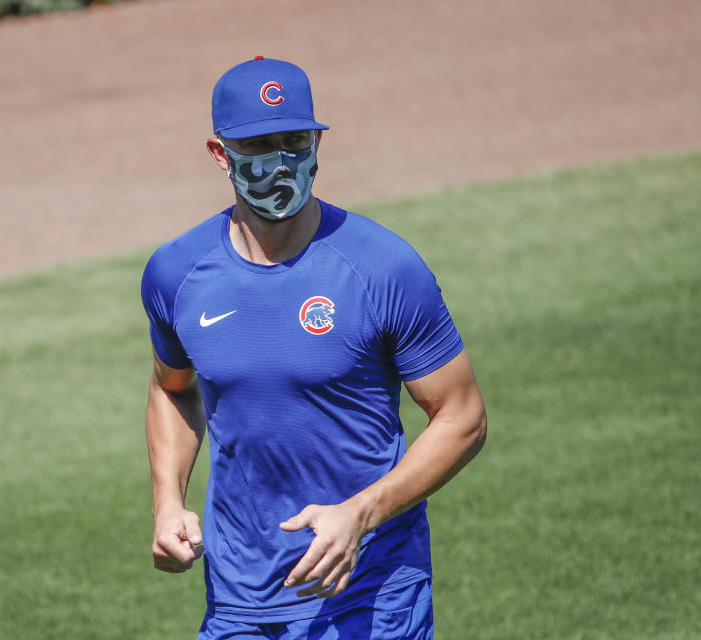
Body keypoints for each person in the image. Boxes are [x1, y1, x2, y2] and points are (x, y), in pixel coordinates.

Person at [140, 56, 487, 640]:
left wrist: (360, 514)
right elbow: (172, 390)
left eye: (295, 139)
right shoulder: (177, 273)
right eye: (258, 143)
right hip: (240, 599)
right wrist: (167, 503)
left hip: (369, 593)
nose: (280, 159)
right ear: (220, 153)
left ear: (318, 142)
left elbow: (463, 417)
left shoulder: (384, 268)